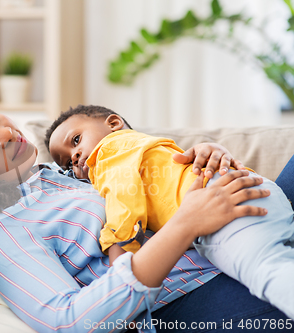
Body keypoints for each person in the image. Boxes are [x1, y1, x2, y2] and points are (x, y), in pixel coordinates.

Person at [0, 100, 288, 332]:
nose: (6, 132)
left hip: (240, 225)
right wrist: (185, 226)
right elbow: (69, 321)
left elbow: (143, 169)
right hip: (192, 296)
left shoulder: (60, 171)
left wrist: (202, 157)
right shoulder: (3, 231)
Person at [45, 104, 294, 319]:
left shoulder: (108, 152)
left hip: (223, 208)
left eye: (76, 141)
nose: (75, 157)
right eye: (67, 163)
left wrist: (119, 260)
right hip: (250, 191)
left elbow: (123, 201)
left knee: (267, 271)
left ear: (113, 123)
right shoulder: (142, 151)